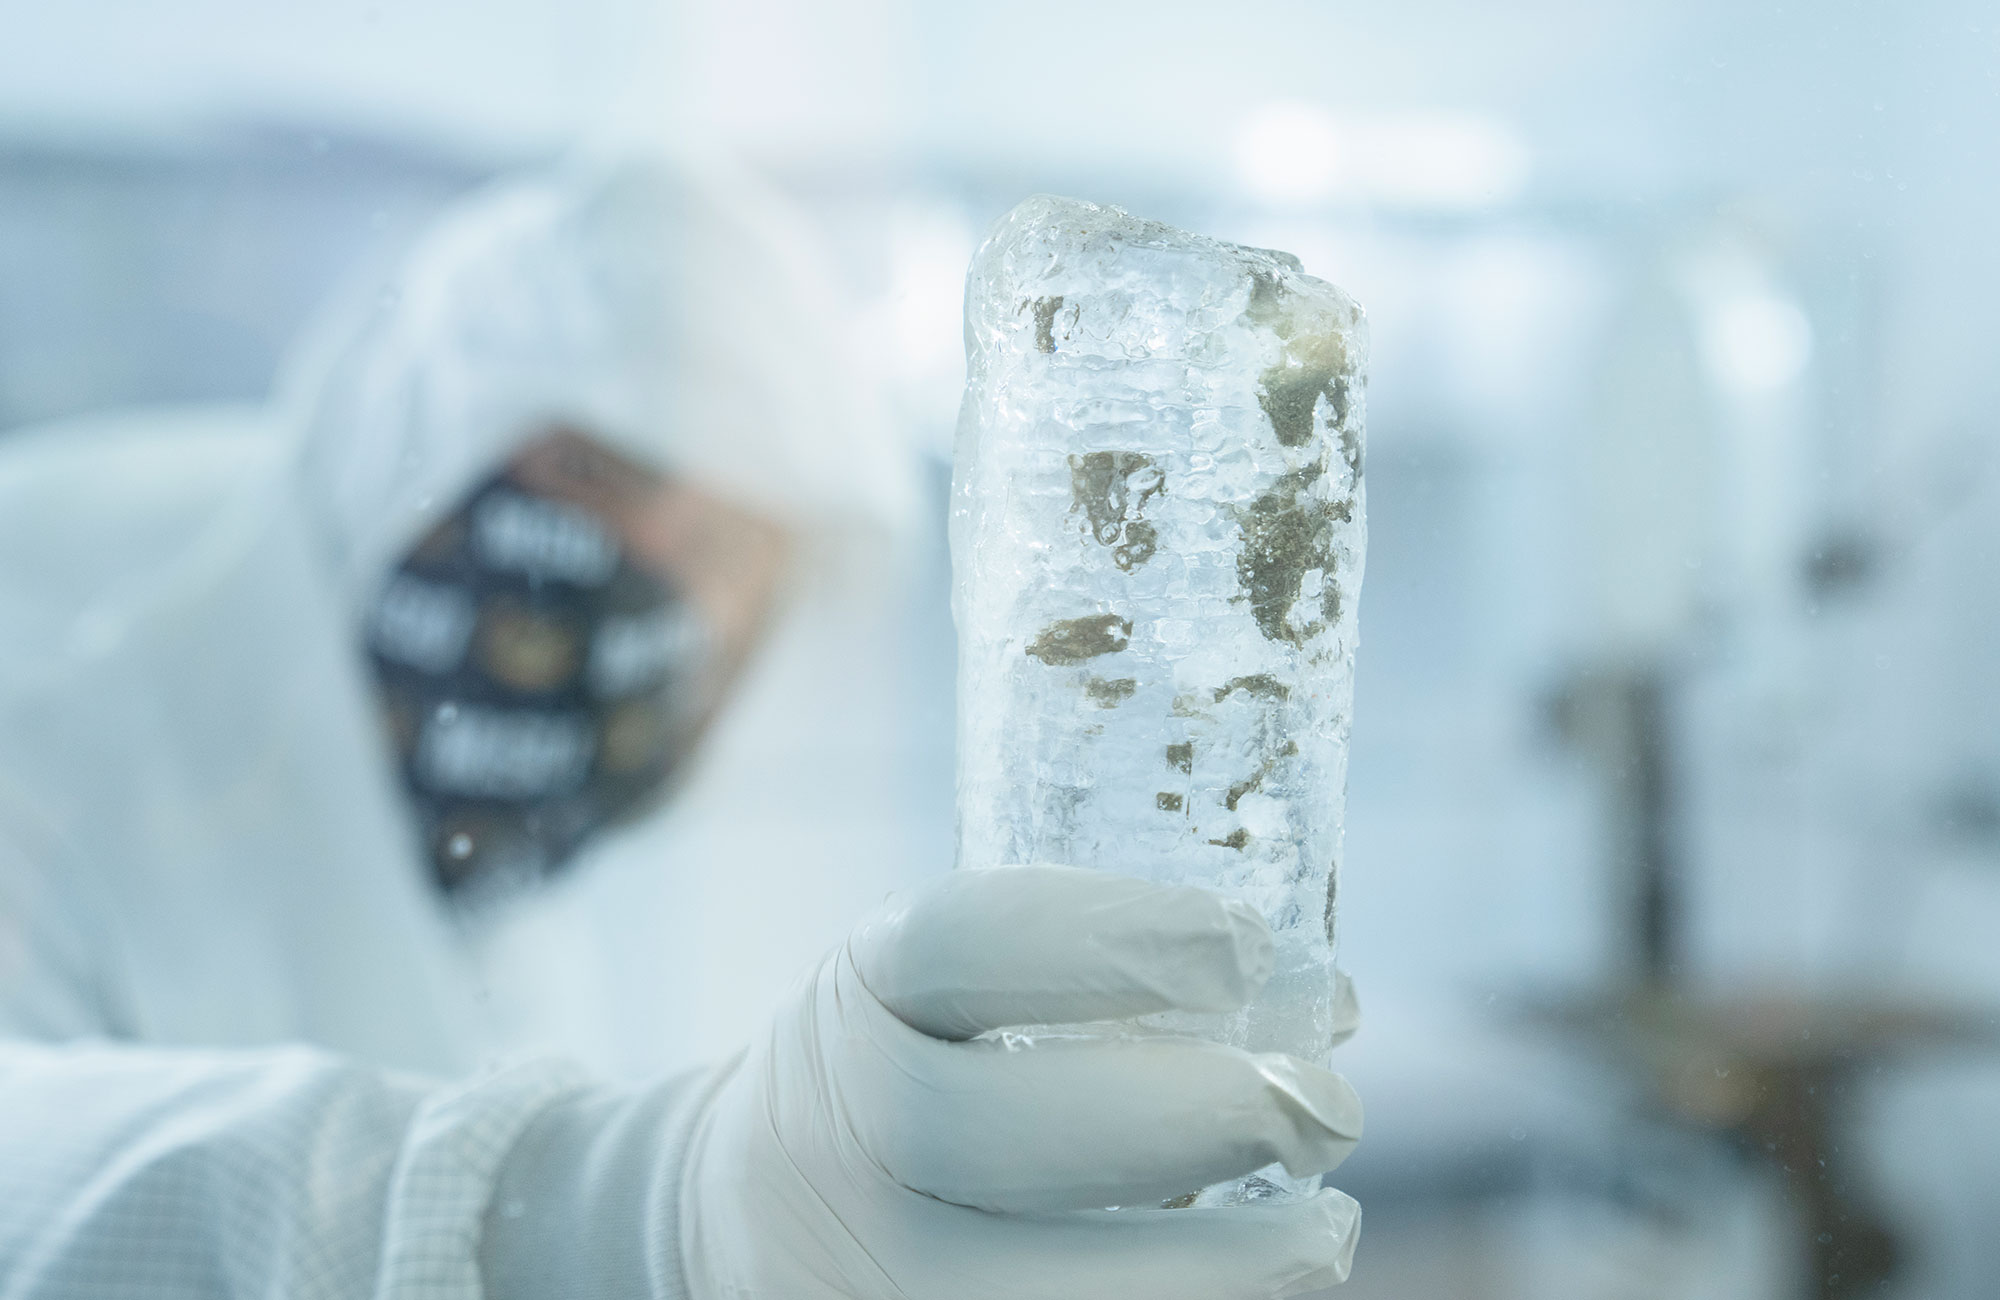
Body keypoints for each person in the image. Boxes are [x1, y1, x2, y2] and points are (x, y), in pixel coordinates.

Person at [0, 155, 1363, 1298]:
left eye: (714, 543)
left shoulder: (491, 867)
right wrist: (608, 1203)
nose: (628, 573)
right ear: (402, 450)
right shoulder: (67, 643)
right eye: (589, 472)